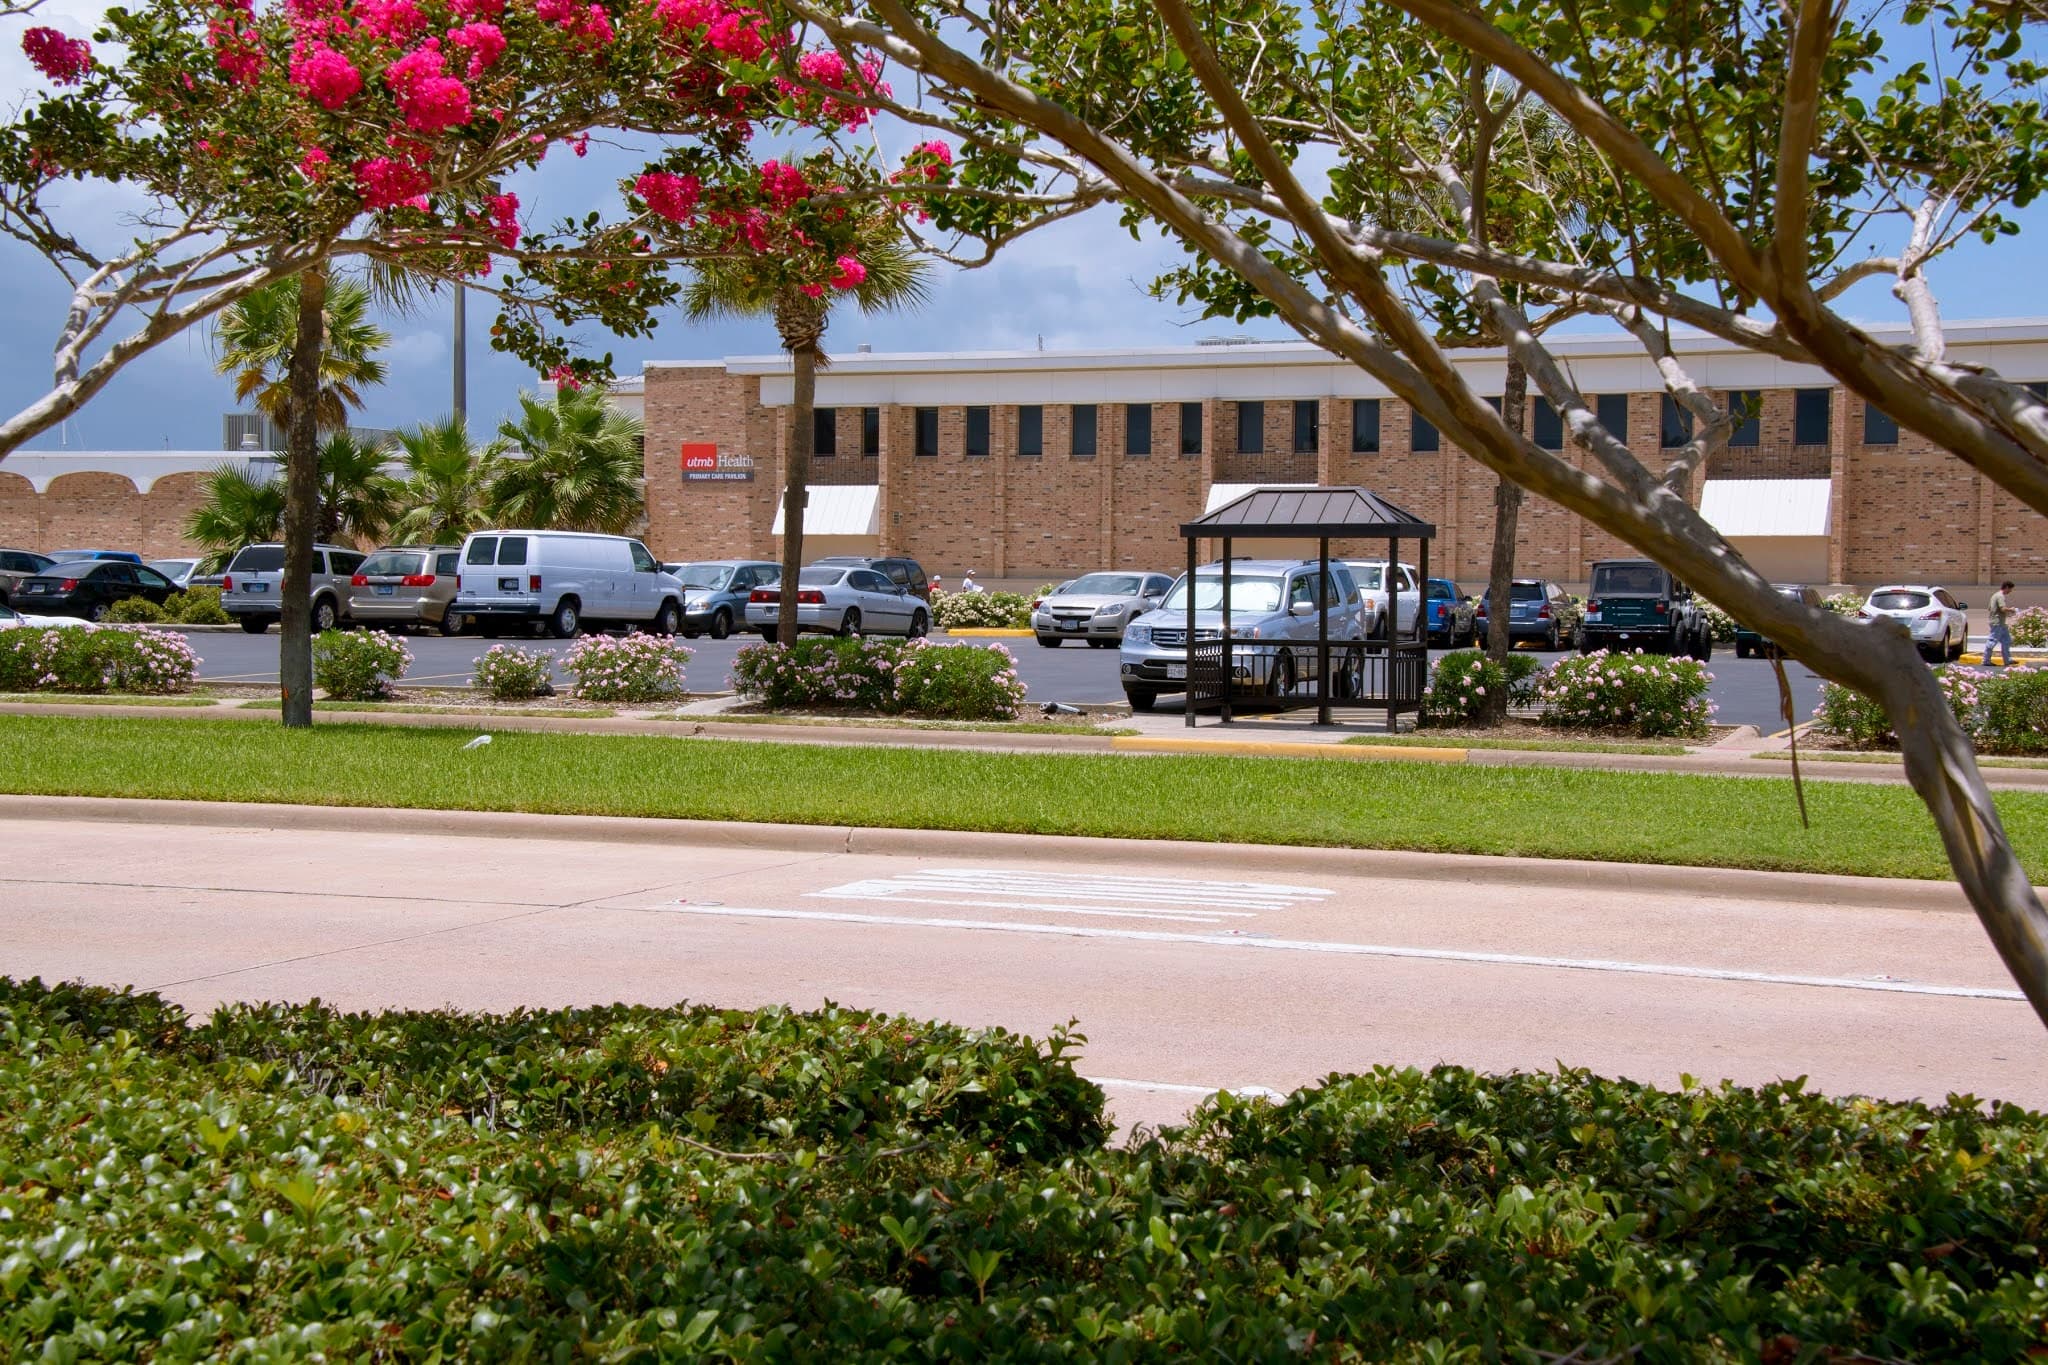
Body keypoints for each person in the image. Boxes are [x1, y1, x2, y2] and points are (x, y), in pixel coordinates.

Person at [1988, 580, 2016, 666]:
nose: (2010, 591)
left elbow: (1990, 608)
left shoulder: (1995, 595)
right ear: (2007, 587)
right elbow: (2002, 608)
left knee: (2007, 640)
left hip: (2001, 623)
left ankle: (2007, 660)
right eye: (2010, 589)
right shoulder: (2000, 596)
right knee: (1992, 641)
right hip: (1997, 623)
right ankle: (1986, 660)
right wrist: (2012, 610)